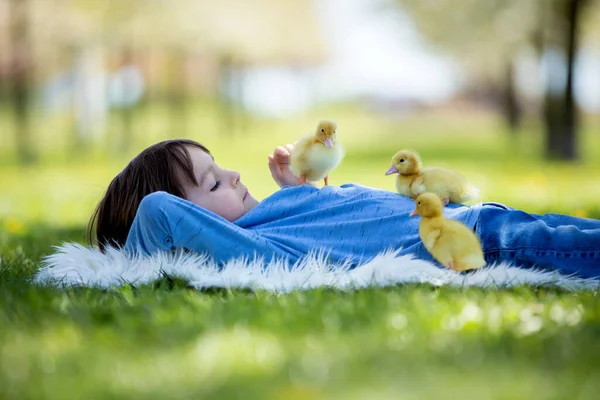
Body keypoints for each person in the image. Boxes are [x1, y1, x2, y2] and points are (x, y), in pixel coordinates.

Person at [88, 139, 600, 279]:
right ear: (189, 225)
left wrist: (302, 190)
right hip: (482, 239)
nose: (236, 176)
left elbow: (331, 218)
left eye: (221, 167)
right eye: (213, 181)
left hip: (481, 219)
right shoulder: (252, 251)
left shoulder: (271, 217)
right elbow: (156, 210)